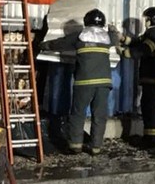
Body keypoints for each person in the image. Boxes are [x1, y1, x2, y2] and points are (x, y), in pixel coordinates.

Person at [40, 8, 114, 155]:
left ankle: (75, 145)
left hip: (84, 83)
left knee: (78, 114)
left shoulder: (80, 36)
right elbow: (118, 38)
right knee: (99, 115)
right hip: (104, 83)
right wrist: (113, 29)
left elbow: (59, 43)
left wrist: (42, 45)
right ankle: (96, 147)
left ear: (87, 21)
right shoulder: (109, 37)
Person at [121, 6, 155, 149]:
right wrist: (123, 39)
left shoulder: (154, 34)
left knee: (151, 109)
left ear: (152, 20)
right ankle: (151, 137)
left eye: (147, 19)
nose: (146, 22)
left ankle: (152, 140)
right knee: (150, 108)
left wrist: (125, 53)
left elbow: (143, 50)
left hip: (154, 79)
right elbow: (139, 41)